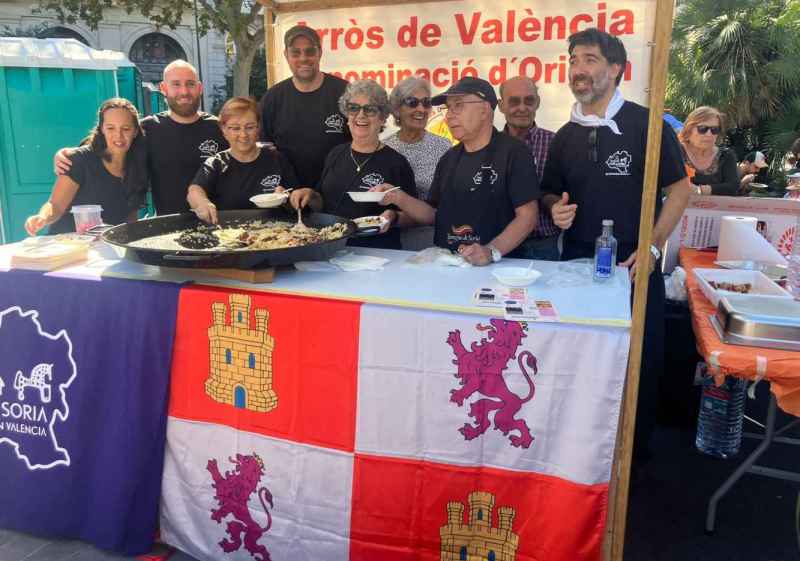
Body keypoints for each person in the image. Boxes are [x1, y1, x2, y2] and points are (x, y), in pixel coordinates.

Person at [540, 29, 691, 460]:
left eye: (589, 59)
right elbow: (550, 191)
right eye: (573, 60)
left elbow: (679, 190)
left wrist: (652, 246)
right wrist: (556, 208)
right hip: (577, 265)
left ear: (616, 69)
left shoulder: (648, 123)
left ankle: (630, 465)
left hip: (634, 267)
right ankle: (580, 458)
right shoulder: (566, 133)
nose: (578, 69)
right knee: (582, 363)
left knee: (636, 369)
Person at [378, 76, 540, 266]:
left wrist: (491, 251)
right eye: (448, 108)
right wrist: (397, 197)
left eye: (458, 105)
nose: (449, 115)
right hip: (448, 265)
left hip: (497, 269)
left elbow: (528, 217)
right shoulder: (449, 158)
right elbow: (433, 214)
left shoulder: (514, 152)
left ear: (484, 109)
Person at [55, 60, 228, 215]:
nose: (184, 91)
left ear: (199, 88)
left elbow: (249, 152)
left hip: (219, 223)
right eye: (176, 84)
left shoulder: (220, 128)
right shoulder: (147, 128)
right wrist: (67, 153)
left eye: (190, 84)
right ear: (163, 88)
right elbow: (106, 145)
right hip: (168, 228)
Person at [288, 79, 416, 249]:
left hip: (378, 255)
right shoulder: (335, 154)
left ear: (382, 117)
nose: (361, 115)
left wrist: (393, 216)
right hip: (333, 249)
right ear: (347, 115)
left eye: (370, 109)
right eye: (354, 108)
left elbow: (414, 218)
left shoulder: (397, 163)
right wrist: (309, 195)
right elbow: (323, 202)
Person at [26, 98, 147, 235]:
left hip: (108, 248)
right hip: (68, 246)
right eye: (110, 128)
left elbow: (131, 216)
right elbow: (56, 205)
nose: (118, 135)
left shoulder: (139, 166)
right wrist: (42, 217)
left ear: (135, 131)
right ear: (101, 129)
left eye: (125, 128)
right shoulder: (79, 160)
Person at [258, 25, 351, 189]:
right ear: (286, 55)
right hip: (288, 197)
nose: (303, 58)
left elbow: (362, 143)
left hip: (337, 193)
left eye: (310, 51)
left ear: (320, 53)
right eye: (295, 52)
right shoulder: (272, 98)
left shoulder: (345, 92)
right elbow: (264, 149)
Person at [187, 97, 298, 224]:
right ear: (224, 130)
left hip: (276, 236)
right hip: (229, 236)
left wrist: (286, 197)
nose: (243, 135)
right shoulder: (216, 163)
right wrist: (202, 203)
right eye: (235, 128)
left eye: (250, 127)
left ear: (258, 128)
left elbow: (296, 198)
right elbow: (195, 190)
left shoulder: (277, 159)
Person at [383, 76, 452, 250]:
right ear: (397, 109)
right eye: (412, 102)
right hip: (390, 239)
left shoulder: (444, 146)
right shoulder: (384, 147)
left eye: (426, 102)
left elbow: (448, 203)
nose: (421, 108)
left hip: (432, 240)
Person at [498, 76, 559, 260]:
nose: (522, 108)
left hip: (543, 247)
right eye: (514, 101)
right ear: (501, 106)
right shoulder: (491, 147)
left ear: (538, 103)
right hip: (500, 244)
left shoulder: (556, 143)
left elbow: (564, 191)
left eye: (529, 100)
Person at [678, 106, 738, 196]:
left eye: (714, 130)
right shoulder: (676, 151)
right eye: (702, 129)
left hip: (716, 209)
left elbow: (732, 187)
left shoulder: (726, 155)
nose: (709, 134)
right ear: (689, 129)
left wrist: (699, 190)